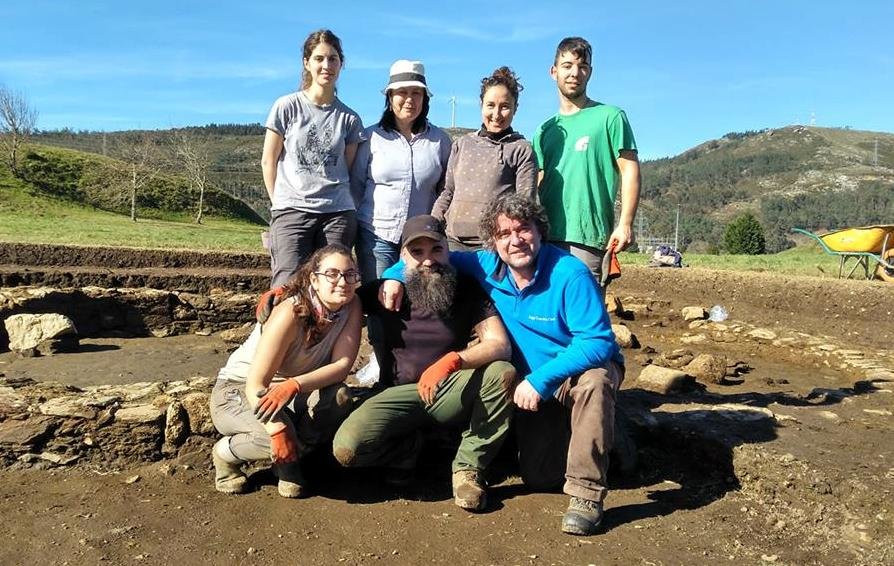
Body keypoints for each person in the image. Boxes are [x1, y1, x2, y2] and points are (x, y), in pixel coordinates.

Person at [382, 195, 623, 535]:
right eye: (504, 233)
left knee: (595, 383)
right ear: (493, 242)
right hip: (531, 381)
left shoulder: (570, 273)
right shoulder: (484, 265)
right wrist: (393, 276)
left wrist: (541, 381)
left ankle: (587, 494)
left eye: (524, 229)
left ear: (540, 231)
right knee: (542, 477)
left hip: (573, 372)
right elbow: (429, 259)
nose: (515, 240)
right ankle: (610, 436)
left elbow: (597, 342)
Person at [332, 215, 515, 512]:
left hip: (447, 391)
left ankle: (468, 468)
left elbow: (499, 344)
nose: (429, 261)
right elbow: (333, 297)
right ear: (403, 256)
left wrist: (454, 360)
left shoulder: (465, 288)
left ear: (447, 249)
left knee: (501, 373)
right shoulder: (382, 291)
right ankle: (410, 446)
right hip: (396, 394)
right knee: (347, 450)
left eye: (436, 250)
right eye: (417, 252)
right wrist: (288, 295)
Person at [210, 244, 362, 497]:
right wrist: (278, 430)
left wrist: (294, 385)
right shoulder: (289, 313)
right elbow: (255, 384)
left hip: (291, 391)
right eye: (332, 274)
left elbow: (341, 367)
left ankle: (290, 458)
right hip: (239, 390)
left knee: (339, 397)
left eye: (349, 274)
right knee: (274, 436)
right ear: (314, 278)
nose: (342, 282)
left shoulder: (351, 304)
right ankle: (225, 454)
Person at [261, 29, 366, 288]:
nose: (326, 65)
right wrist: (280, 203)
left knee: (333, 286)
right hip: (292, 211)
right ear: (306, 63)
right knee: (287, 285)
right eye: (319, 58)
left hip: (337, 214)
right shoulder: (286, 107)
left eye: (333, 59)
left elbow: (348, 170)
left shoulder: (350, 119)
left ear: (341, 64)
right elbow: (268, 161)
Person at [532, 36, 641, 282]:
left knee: (586, 316)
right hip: (546, 239)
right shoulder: (544, 130)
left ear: (590, 73)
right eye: (567, 65)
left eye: (582, 67)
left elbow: (630, 171)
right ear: (553, 71)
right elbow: (536, 182)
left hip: (589, 239)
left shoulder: (610, 117)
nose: (574, 73)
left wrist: (625, 224)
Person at [351, 60, 452, 283]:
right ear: (390, 97)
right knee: (380, 301)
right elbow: (355, 187)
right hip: (376, 236)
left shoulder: (440, 141)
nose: (409, 99)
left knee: (419, 305)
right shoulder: (370, 138)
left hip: (422, 242)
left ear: (425, 98)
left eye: (416, 93)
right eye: (402, 92)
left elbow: (446, 189)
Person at [432, 66, 537, 251]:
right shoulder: (462, 144)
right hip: (452, 243)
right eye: (490, 105)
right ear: (481, 104)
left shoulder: (521, 150)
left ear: (515, 108)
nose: (496, 114)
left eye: (505, 107)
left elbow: (524, 204)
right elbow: (448, 192)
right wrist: (432, 226)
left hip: (493, 247)